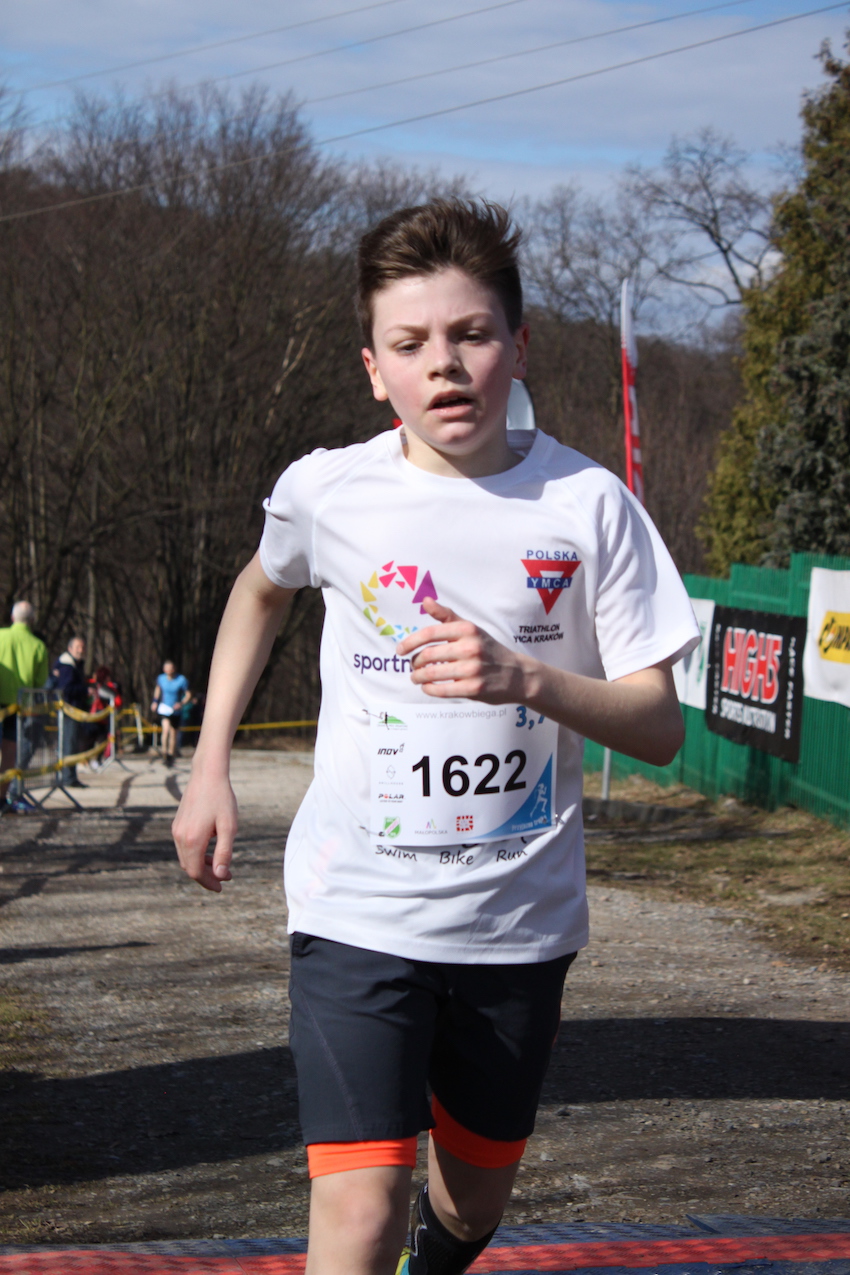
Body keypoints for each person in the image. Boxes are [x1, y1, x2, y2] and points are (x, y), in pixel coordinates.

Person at [172, 199, 699, 1275]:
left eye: (470, 334)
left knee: (468, 1204)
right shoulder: (329, 492)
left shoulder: (588, 505)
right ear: (375, 370)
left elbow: (658, 726)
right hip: (357, 910)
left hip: (517, 927)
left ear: (519, 346)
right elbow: (259, 592)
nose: (444, 365)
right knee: (358, 1214)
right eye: (410, 345)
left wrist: (528, 678)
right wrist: (208, 764)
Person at [0, 601, 48, 809]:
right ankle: (1, 798)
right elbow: (40, 682)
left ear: (12, 618)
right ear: (32, 620)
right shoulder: (38, 646)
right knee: (10, 751)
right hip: (20, 705)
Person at [50, 636, 89, 788]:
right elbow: (65, 689)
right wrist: (85, 690)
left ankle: (70, 776)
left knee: (72, 743)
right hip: (68, 711)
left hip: (74, 710)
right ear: (70, 649)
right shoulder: (67, 666)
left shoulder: (75, 665)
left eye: (83, 647)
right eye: (78, 647)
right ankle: (68, 778)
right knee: (69, 744)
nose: (81, 650)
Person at [151, 661, 190, 767]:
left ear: (174, 669)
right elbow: (158, 689)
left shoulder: (181, 680)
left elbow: (188, 694)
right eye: (166, 668)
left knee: (173, 733)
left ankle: (170, 755)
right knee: (166, 730)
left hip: (175, 710)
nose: (168, 671)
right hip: (164, 708)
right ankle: (164, 753)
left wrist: (181, 703)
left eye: (170, 668)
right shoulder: (161, 679)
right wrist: (155, 701)